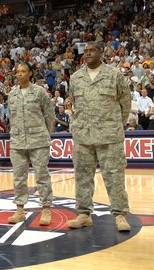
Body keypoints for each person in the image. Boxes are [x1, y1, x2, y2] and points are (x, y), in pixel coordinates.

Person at [67, 41, 132, 231]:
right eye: (85, 51)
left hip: (109, 135)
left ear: (101, 53)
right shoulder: (76, 78)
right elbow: (74, 102)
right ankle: (83, 214)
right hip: (83, 136)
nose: (87, 54)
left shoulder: (114, 75)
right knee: (82, 176)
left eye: (91, 50)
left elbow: (125, 102)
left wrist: (115, 125)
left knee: (114, 176)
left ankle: (120, 215)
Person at [7, 62, 56, 225]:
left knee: (42, 176)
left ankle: (46, 209)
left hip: (38, 141)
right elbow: (12, 119)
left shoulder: (39, 92)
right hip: (18, 142)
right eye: (17, 72)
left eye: (23, 71)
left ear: (30, 73)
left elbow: (49, 115)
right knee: (18, 178)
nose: (19, 74)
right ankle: (20, 210)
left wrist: (44, 133)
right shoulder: (12, 95)